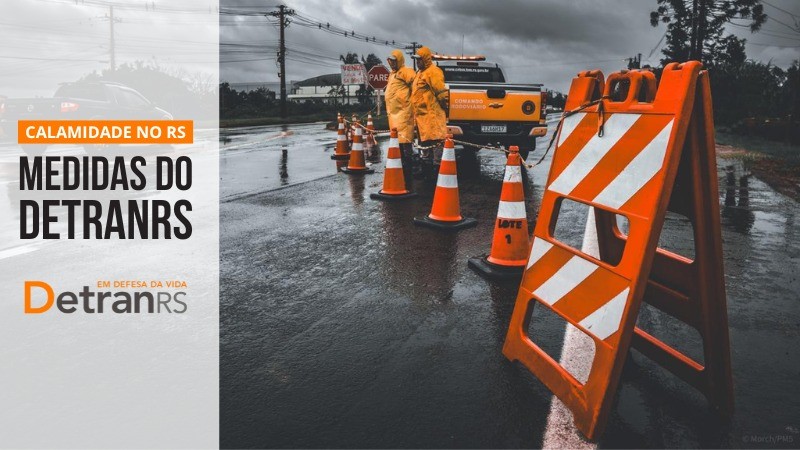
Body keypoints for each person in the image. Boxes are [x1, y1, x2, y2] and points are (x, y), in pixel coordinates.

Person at [411, 46, 449, 167]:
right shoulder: (420, 73)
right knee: (426, 146)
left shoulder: (434, 72)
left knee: (436, 142)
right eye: (416, 60)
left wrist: (445, 107)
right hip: (423, 118)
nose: (417, 62)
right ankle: (427, 168)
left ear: (426, 59)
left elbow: (441, 94)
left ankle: (437, 170)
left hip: (432, 116)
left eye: (419, 60)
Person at [384, 49, 416, 178]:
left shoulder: (406, 72)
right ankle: (400, 163)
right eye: (390, 61)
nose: (391, 63)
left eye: (394, 61)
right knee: (397, 140)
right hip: (394, 114)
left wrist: (410, 102)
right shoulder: (392, 74)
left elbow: (415, 85)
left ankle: (408, 166)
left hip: (404, 112)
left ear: (399, 60)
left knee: (405, 140)